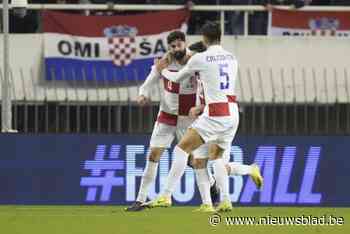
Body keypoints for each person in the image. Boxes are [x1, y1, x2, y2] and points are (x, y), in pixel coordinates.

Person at [148, 21, 248, 212]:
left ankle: (165, 196)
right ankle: (224, 201)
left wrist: (162, 70)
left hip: (215, 112)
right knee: (216, 157)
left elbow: (176, 78)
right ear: (220, 37)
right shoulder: (232, 58)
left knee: (181, 150)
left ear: (204, 38)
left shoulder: (200, 58)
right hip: (233, 111)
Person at [125, 31, 205, 211]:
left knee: (195, 161)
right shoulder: (164, 62)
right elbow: (150, 80)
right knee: (153, 155)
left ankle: (213, 187)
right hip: (167, 116)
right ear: (169, 48)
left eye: (179, 45)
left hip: (188, 119)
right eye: (173, 46)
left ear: (185, 43)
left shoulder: (195, 61)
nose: (176, 49)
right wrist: (143, 94)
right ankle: (140, 200)